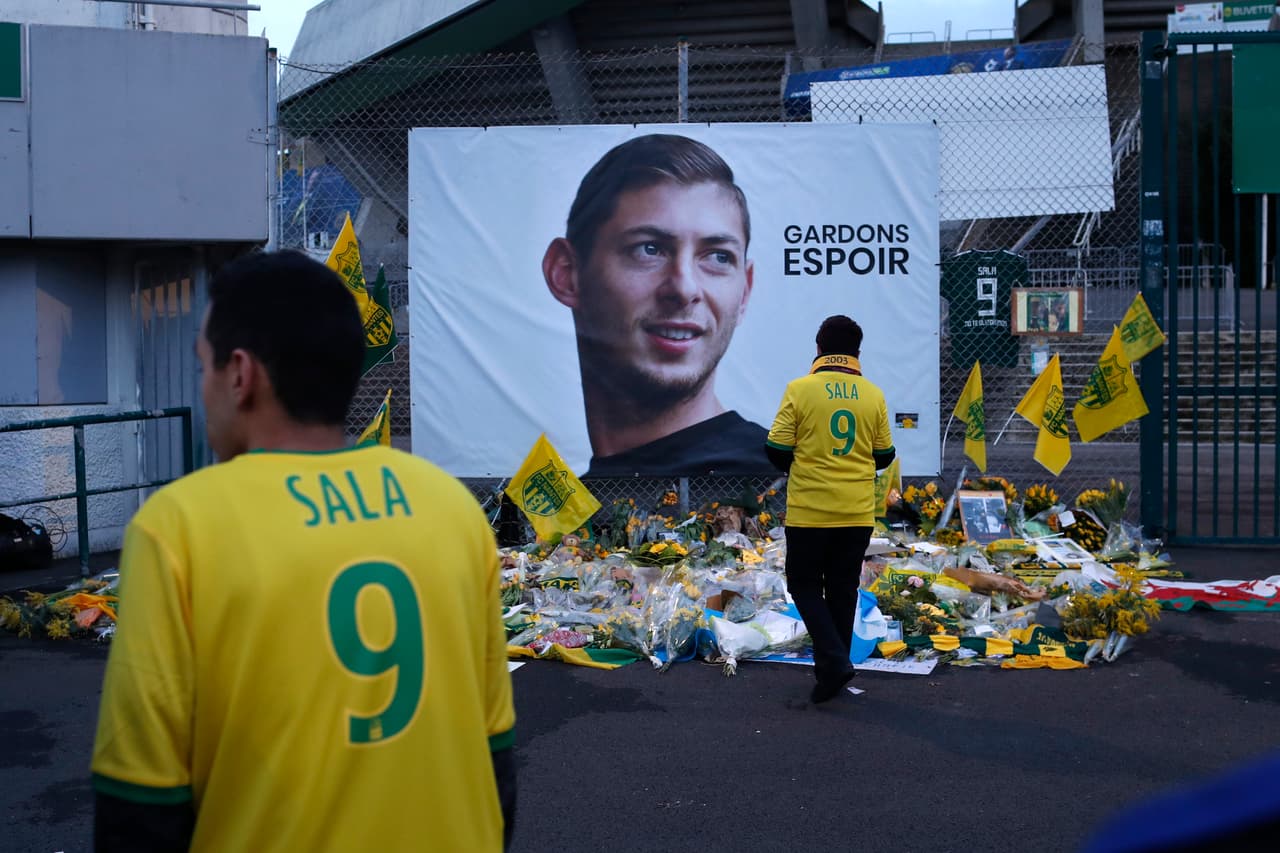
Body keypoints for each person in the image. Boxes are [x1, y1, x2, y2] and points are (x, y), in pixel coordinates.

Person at [91, 252, 516, 852]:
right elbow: (495, 757)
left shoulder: (179, 525)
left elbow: (140, 806)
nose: (204, 387)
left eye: (204, 366)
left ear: (241, 375)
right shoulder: (451, 508)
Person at [542, 133, 771, 478]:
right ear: (567, 274)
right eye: (648, 249)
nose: (684, 288)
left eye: (718, 257)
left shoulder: (785, 484)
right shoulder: (557, 499)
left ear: (744, 293)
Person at [765, 315, 895, 703]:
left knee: (803, 584)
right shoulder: (872, 394)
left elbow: (776, 449)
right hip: (856, 511)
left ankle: (835, 662)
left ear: (819, 349)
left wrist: (805, 460)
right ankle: (831, 672)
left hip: (810, 510)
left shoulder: (800, 389)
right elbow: (884, 455)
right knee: (842, 588)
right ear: (857, 352)